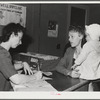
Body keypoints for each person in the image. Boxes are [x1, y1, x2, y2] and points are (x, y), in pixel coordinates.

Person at [0, 23, 42, 91]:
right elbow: (17, 80)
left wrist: (22, 64)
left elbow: (6, 68)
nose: (20, 42)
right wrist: (34, 76)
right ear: (13, 35)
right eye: (19, 38)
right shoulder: (2, 54)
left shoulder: (2, 51)